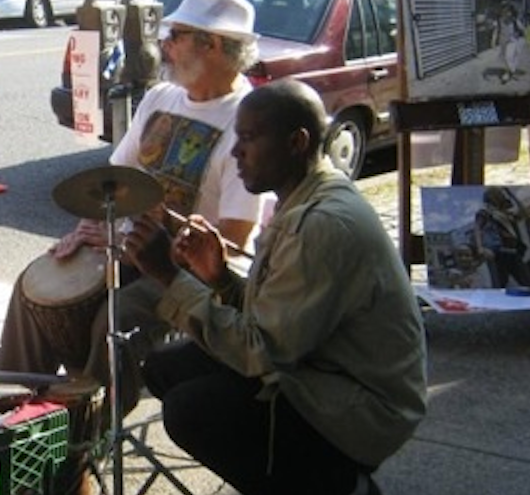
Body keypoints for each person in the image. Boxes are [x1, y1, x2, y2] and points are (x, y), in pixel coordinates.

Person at [125, 79, 428, 495]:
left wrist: (168, 275)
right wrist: (218, 277)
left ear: (297, 142)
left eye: (248, 139)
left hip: (364, 407)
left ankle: (337, 482)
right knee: (168, 367)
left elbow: (260, 349)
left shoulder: (321, 224)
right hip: (321, 368)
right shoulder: (306, 195)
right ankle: (291, 468)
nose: (235, 152)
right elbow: (276, 314)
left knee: (190, 411)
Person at [0, 0, 265, 415]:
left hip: (183, 275)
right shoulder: (160, 98)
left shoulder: (247, 119)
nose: (165, 45)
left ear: (212, 44)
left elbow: (233, 240)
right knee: (33, 289)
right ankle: (7, 422)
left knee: (113, 320)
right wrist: (93, 228)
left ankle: (84, 444)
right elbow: (115, 183)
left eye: (176, 35)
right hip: (125, 250)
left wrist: (156, 237)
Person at [473, 185, 530, 288]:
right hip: (498, 253)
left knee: (528, 282)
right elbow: (477, 228)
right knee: (499, 285)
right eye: (497, 193)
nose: (500, 195)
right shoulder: (485, 212)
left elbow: (525, 213)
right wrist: (480, 248)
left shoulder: (506, 214)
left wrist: (512, 195)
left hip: (513, 252)